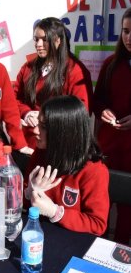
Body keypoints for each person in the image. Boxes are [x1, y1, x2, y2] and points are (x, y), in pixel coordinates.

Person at [24, 96, 109, 236]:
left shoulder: (94, 171)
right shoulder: (41, 154)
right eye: (38, 123)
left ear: (64, 133)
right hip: (42, 235)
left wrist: (55, 212)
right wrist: (29, 193)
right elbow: (26, 205)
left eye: (43, 127)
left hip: (74, 242)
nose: (35, 131)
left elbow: (97, 224)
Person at [14, 17, 93, 149]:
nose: (38, 44)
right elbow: (14, 99)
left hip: (59, 145)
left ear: (58, 41)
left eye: (44, 39)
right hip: (28, 144)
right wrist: (26, 113)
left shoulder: (76, 71)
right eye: (36, 39)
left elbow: (81, 112)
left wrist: (46, 118)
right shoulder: (28, 67)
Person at [93, 7, 131, 245]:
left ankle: (119, 252)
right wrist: (102, 111)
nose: (129, 37)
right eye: (126, 31)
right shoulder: (111, 64)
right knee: (101, 201)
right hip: (109, 147)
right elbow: (97, 101)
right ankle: (97, 247)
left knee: (127, 209)